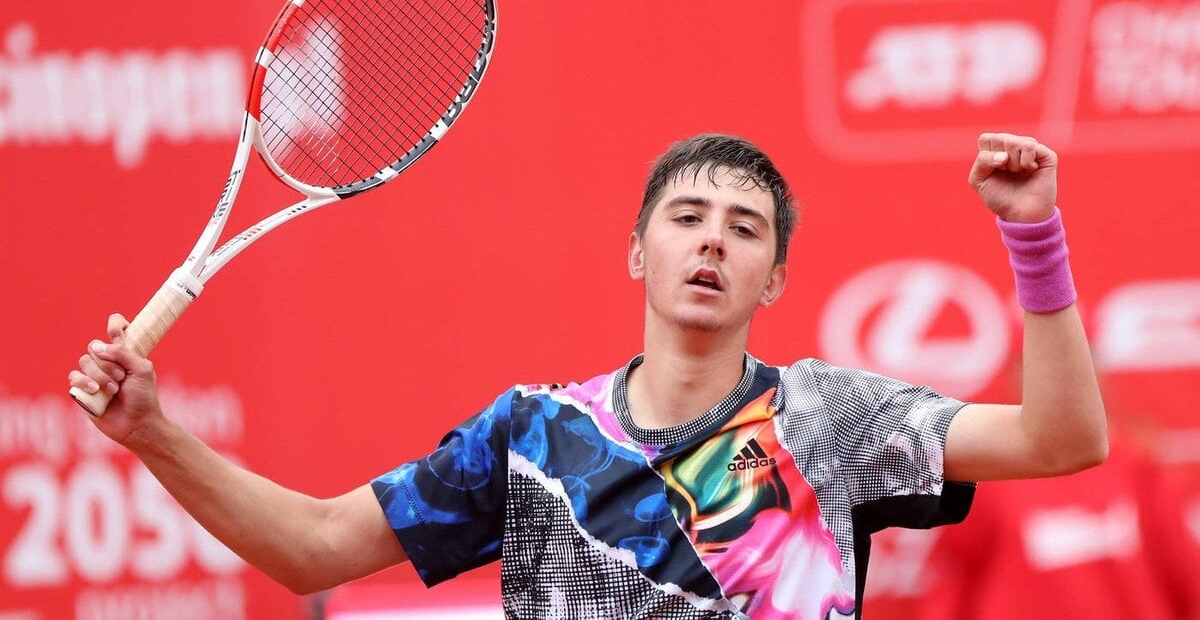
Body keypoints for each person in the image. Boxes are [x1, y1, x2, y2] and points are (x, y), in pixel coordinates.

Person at [70, 132, 1108, 619]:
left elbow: (1062, 441)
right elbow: (315, 550)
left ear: (775, 277)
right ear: (638, 253)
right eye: (687, 218)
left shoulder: (824, 418)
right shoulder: (531, 437)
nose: (713, 241)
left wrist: (1035, 238)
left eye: (744, 228)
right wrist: (152, 430)